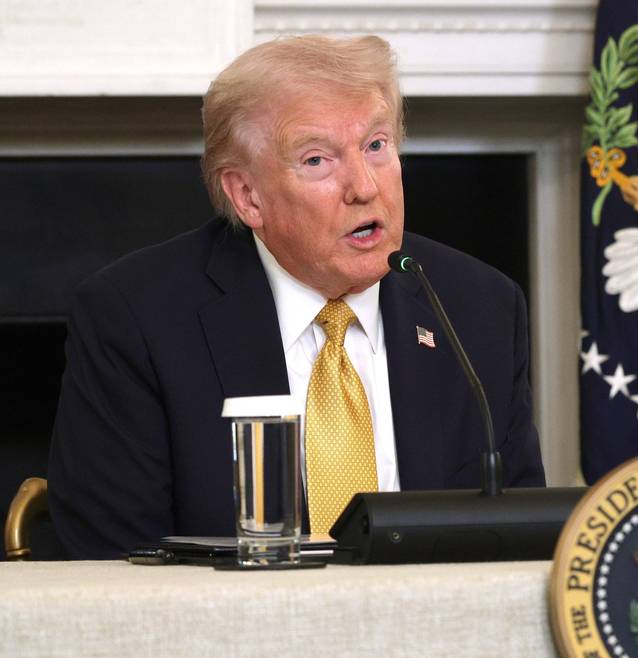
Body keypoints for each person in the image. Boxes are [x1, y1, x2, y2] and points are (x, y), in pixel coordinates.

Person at [48, 35, 544, 559]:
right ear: (248, 196)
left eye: (376, 146)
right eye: (317, 160)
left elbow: (519, 535)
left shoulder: (479, 307)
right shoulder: (136, 318)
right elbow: (117, 563)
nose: (364, 186)